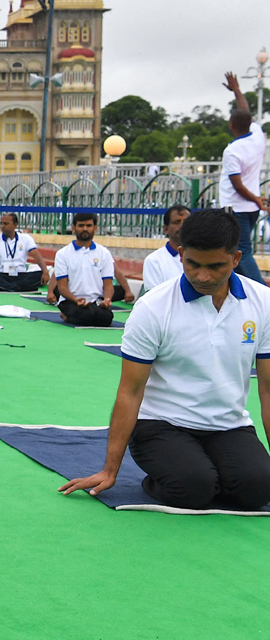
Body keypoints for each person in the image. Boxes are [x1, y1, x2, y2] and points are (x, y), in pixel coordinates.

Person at [59, 209, 270, 510]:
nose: (202, 276)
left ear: (236, 259)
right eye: (193, 264)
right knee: (193, 489)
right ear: (181, 253)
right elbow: (130, 392)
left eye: (216, 267)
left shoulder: (262, 303)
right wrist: (110, 470)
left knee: (257, 491)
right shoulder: (153, 307)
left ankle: (214, 473)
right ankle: (171, 476)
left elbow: (268, 389)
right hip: (161, 425)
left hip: (228, 425)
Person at [217, 70, 268, 285]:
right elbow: (245, 110)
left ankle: (262, 294)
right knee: (239, 249)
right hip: (250, 208)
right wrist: (236, 90)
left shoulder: (233, 150)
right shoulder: (258, 135)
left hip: (235, 206)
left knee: (240, 251)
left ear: (231, 125)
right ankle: (243, 289)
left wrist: (254, 199)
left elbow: (236, 184)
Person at [52, 212, 115, 327]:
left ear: (95, 228)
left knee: (106, 319)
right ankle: (65, 315)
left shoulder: (104, 253)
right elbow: (62, 287)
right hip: (70, 300)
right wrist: (76, 300)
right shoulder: (63, 254)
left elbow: (108, 284)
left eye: (89, 226)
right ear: (73, 229)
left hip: (95, 300)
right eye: (81, 226)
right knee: (85, 317)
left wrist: (107, 299)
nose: (85, 229)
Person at [0, 213, 48, 292]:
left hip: (20, 274)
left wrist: (45, 271)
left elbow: (36, 255)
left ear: (15, 225)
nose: (2, 226)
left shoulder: (25, 238)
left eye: (6, 224)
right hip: (1, 274)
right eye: (1, 223)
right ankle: (20, 287)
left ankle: (9, 288)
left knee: (39, 275)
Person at [142, 205, 190, 291]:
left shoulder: (203, 257)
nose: (182, 225)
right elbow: (155, 298)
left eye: (186, 222)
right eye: (177, 222)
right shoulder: (154, 261)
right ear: (166, 229)